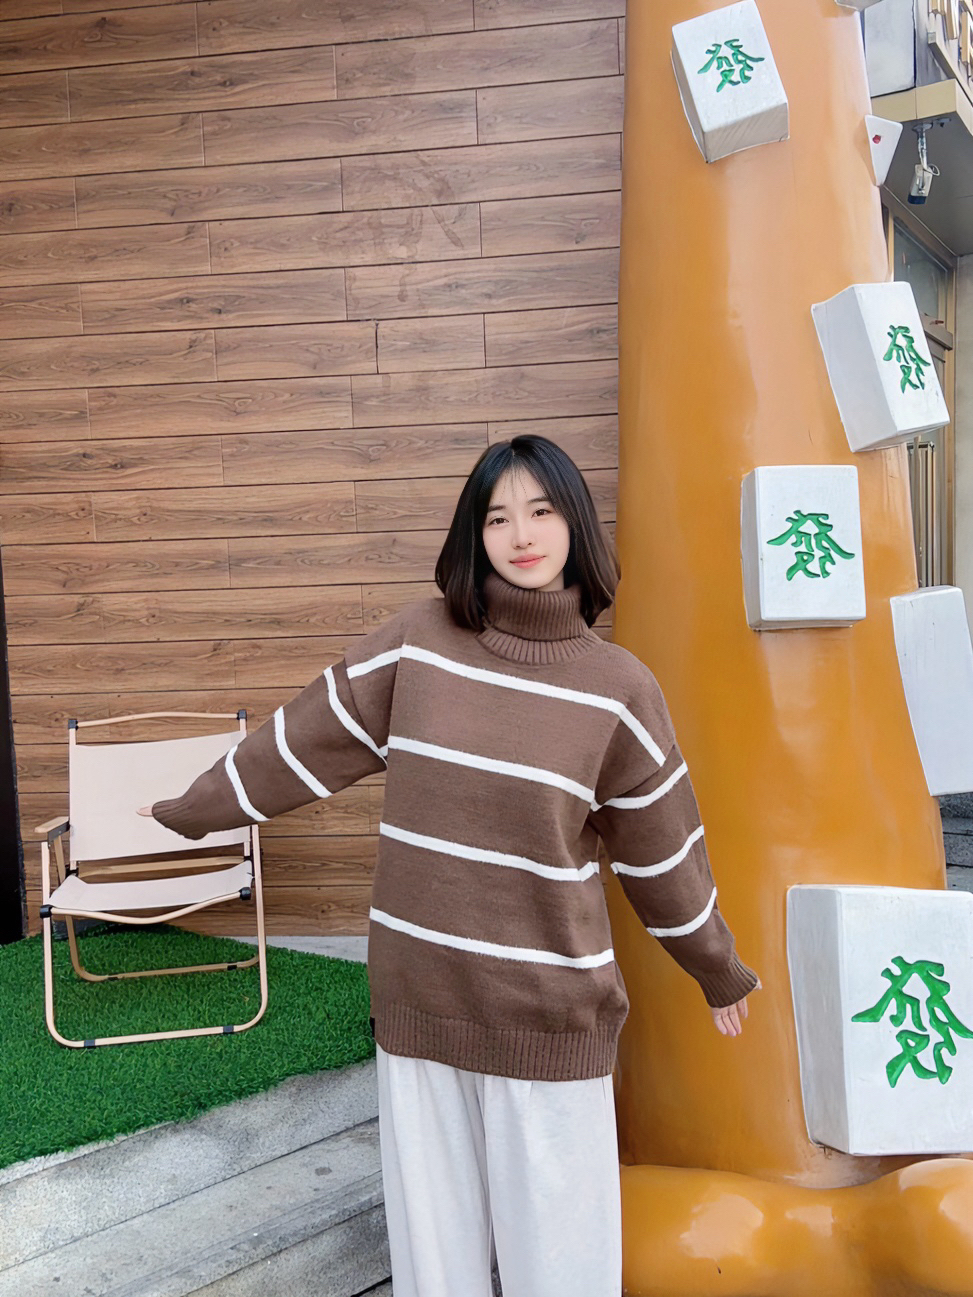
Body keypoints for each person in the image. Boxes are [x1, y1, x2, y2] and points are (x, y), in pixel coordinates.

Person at [140, 434, 759, 1297]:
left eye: (541, 510)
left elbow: (663, 849)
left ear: (575, 525)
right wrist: (195, 807)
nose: (521, 534)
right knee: (437, 1269)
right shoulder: (419, 643)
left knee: (563, 1269)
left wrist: (714, 963)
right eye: (497, 517)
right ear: (474, 533)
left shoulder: (619, 689)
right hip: (421, 1000)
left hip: (549, 1015)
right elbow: (305, 737)